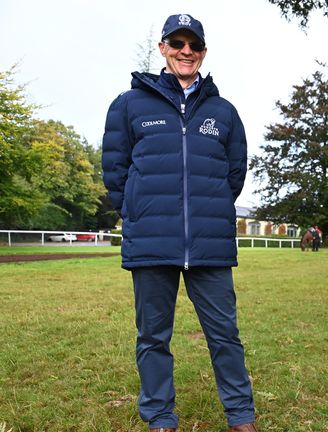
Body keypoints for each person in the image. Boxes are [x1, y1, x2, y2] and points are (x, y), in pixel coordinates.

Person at [102, 14, 256, 432]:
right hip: (152, 243)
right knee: (153, 337)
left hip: (210, 246)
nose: (185, 51)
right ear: (163, 49)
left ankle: (241, 416)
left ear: (203, 52)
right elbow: (115, 171)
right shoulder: (129, 104)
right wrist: (137, 211)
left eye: (193, 44)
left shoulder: (223, 111)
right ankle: (160, 417)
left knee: (225, 335)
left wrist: (211, 207)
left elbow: (234, 173)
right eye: (177, 43)